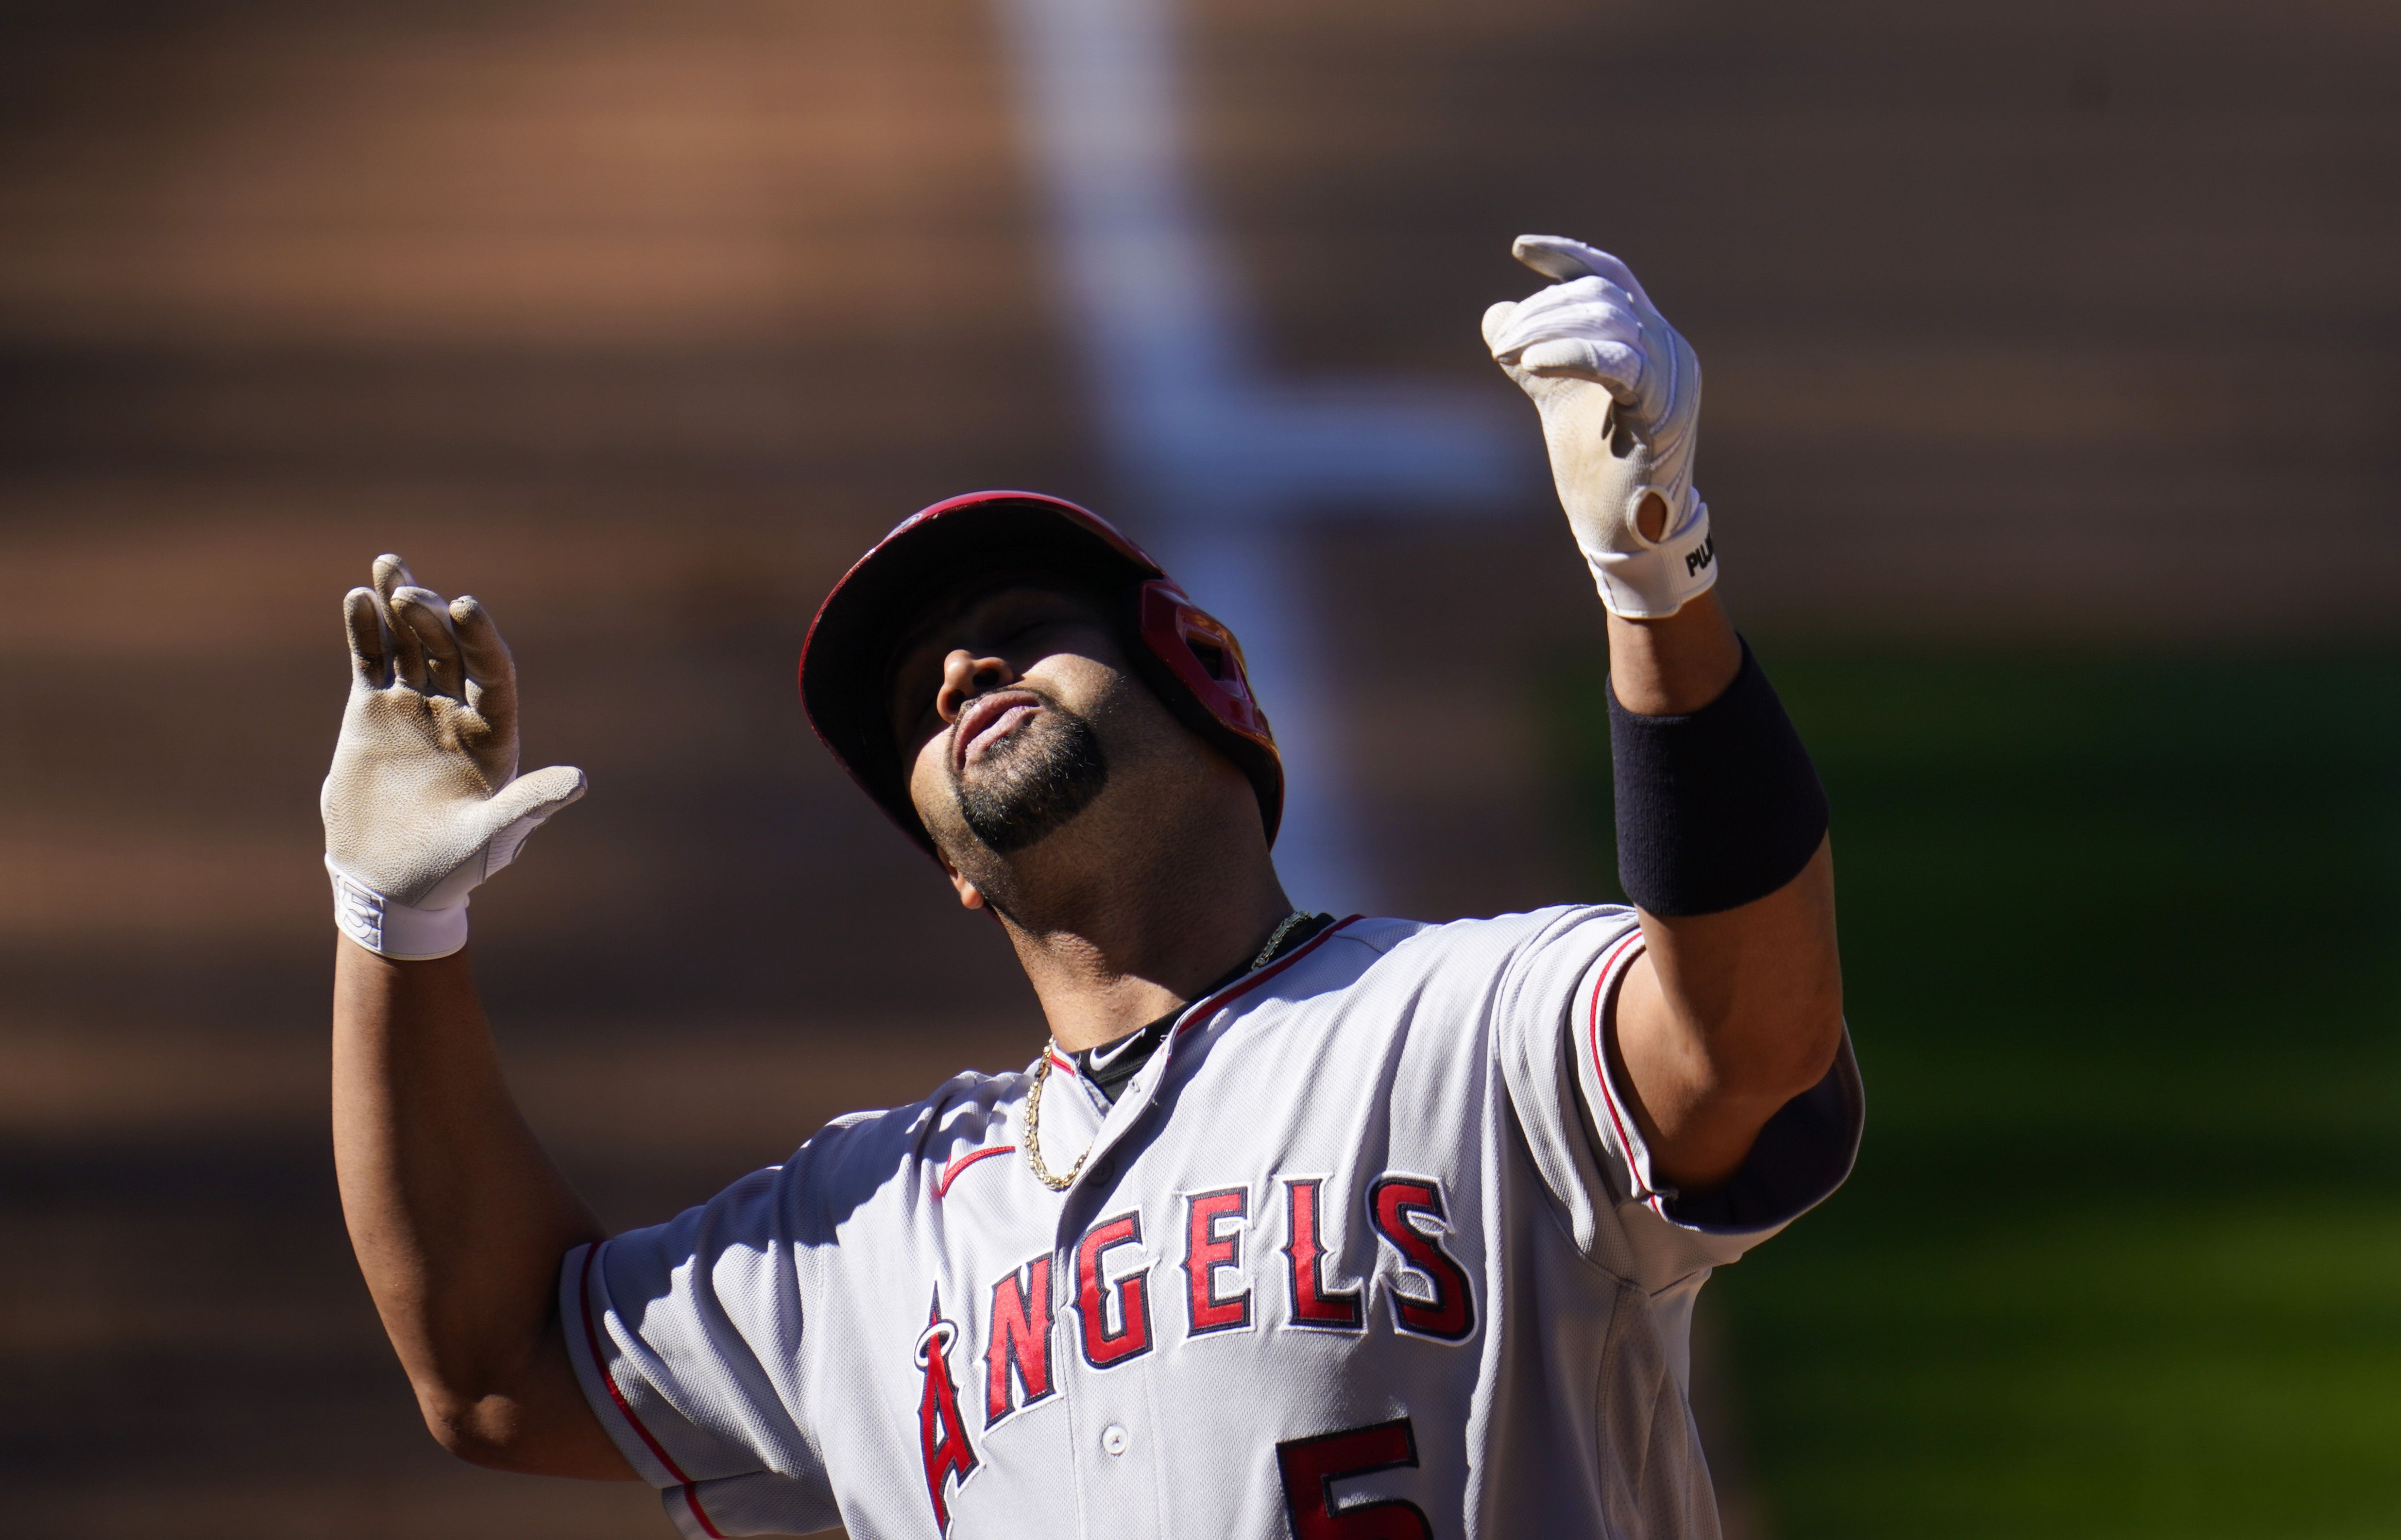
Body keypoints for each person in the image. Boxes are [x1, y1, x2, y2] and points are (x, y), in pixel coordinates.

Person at [323, 235, 1859, 1539]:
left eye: (1016, 626)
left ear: (1208, 681)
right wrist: (394, 923)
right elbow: (496, 1357)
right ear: (953, 870)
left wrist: (1657, 581)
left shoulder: (1459, 1029)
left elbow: (1747, 1037)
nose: (957, 673)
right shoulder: (867, 1230)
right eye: (917, 705)